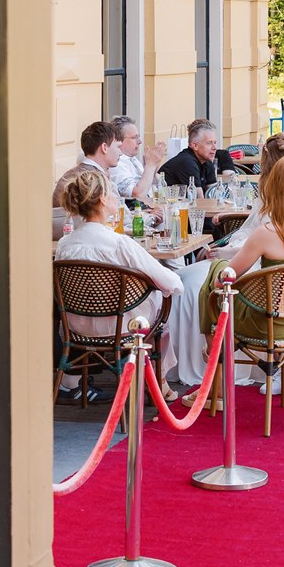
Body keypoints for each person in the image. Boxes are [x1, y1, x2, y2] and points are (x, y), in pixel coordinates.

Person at [164, 153, 284, 388]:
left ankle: (214, 364)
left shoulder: (267, 232)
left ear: (273, 188)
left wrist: (219, 265)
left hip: (265, 322)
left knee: (216, 276)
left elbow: (225, 280)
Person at [54, 167, 184, 389]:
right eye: (113, 193)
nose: (117, 197)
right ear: (103, 200)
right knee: (161, 309)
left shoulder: (65, 244)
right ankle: (158, 383)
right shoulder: (120, 243)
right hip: (121, 326)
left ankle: (72, 378)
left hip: (76, 326)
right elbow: (173, 283)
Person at [52, 118, 123, 239]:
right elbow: (117, 218)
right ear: (104, 148)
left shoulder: (70, 174)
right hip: (93, 241)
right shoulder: (96, 181)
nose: (121, 153)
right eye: (118, 147)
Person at [159, 117, 221, 193]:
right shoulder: (187, 162)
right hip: (163, 202)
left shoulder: (206, 160)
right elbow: (199, 200)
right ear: (195, 146)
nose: (214, 147)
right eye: (209, 143)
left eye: (215, 142)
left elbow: (214, 194)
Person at [111, 115, 160, 205]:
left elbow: (150, 186)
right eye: (135, 137)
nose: (139, 141)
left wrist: (153, 167)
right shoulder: (116, 164)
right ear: (119, 140)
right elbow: (137, 194)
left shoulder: (133, 159)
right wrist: (150, 166)